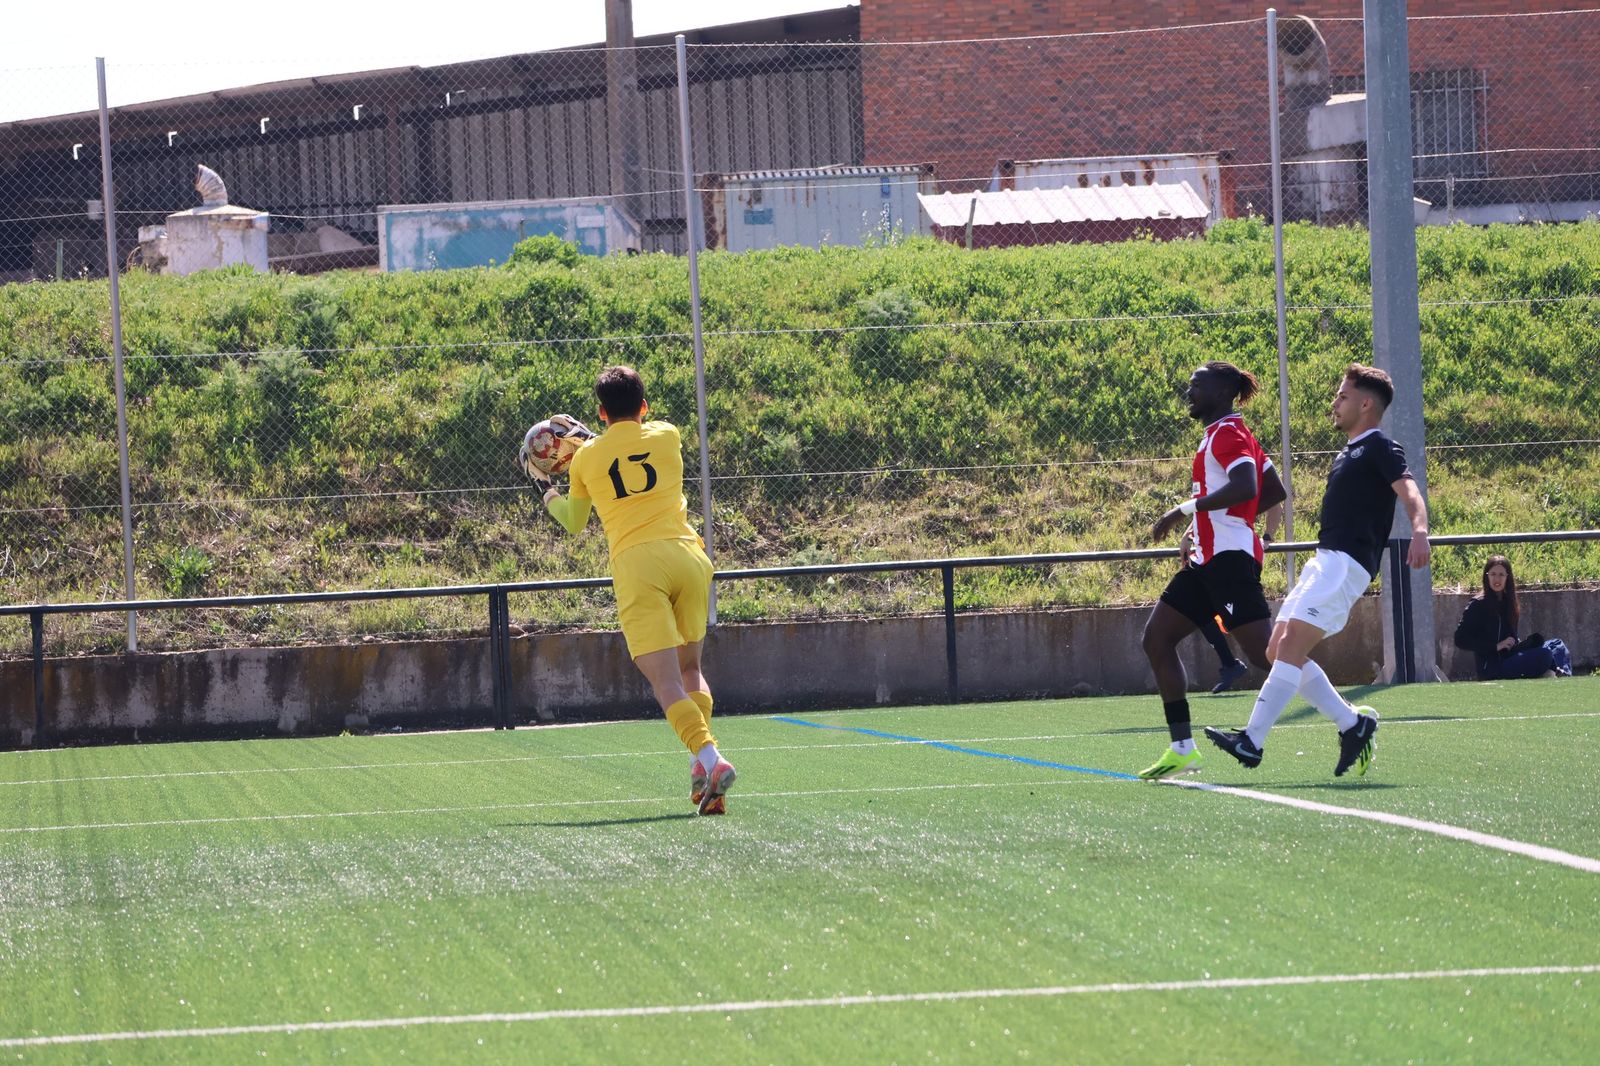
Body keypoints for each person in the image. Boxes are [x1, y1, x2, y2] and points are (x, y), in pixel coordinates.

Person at [1205, 363, 1432, 777]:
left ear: (1366, 404)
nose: (1335, 402)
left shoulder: (1380, 446)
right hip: (1325, 560)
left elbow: (1410, 491)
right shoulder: (1347, 451)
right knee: (1276, 650)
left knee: (1291, 645)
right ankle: (1352, 724)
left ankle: (1252, 741)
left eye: (1343, 396)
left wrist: (1420, 530)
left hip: (1345, 565)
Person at [534, 365, 736, 815]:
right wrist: (591, 436)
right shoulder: (667, 434)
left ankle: (712, 760)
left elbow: (574, 521)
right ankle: (700, 769)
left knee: (665, 682)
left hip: (638, 565)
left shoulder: (585, 460)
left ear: (601, 412)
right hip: (688, 557)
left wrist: (545, 487)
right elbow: (628, 446)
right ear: (643, 406)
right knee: (690, 668)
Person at [1138, 361, 1287, 780]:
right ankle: (1182, 749)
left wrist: (1184, 510)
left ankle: (1349, 718)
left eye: (1196, 386)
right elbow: (1273, 490)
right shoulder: (1223, 433)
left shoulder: (1228, 433)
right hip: (1207, 560)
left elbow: (1249, 487)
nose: (1189, 392)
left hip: (1228, 561)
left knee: (1266, 655)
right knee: (1156, 639)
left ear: (1221, 393)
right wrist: (1208, 523)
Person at [1453, 555, 1571, 680]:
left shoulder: (1509, 602)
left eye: (1501, 575)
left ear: (1507, 577)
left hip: (1510, 656)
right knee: (1545, 654)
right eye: (1493, 574)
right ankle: (1555, 672)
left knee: (1557, 645)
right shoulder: (1478, 604)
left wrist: (1522, 644)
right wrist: (1496, 646)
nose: (1497, 579)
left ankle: (1559, 674)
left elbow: (1510, 638)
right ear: (1486, 576)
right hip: (1492, 667)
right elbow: (1460, 639)